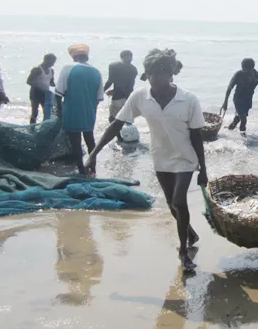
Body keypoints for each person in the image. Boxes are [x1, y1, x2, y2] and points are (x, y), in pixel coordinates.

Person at [85, 48, 207, 271]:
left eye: (159, 73)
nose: (154, 78)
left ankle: (183, 252)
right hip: (161, 158)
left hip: (185, 158)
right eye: (150, 73)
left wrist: (204, 170)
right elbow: (116, 125)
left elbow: (197, 136)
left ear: (170, 75)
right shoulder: (140, 97)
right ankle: (190, 233)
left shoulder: (188, 99)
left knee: (179, 201)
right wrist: (94, 153)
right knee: (172, 205)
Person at [55, 44, 104, 175]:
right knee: (90, 140)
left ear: (74, 57)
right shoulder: (96, 71)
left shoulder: (67, 68)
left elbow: (58, 93)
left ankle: (81, 169)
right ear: (86, 57)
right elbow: (99, 97)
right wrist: (90, 109)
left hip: (72, 110)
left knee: (75, 142)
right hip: (89, 112)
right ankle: (93, 168)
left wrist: (59, 111)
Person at [221, 58, 258, 136]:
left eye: (244, 69)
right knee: (243, 120)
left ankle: (228, 130)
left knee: (237, 119)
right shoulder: (238, 74)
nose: (243, 70)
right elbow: (230, 88)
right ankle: (244, 139)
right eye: (242, 68)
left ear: (251, 68)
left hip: (248, 100)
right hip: (238, 99)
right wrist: (225, 102)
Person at [104, 50, 138, 124]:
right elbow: (129, 85)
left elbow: (110, 81)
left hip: (117, 97)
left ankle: (118, 135)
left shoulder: (113, 65)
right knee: (126, 119)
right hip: (129, 97)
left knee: (113, 118)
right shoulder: (134, 69)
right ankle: (126, 134)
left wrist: (102, 91)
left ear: (121, 56)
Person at [26, 54, 56, 124]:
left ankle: (44, 127)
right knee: (35, 112)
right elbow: (28, 81)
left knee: (46, 112)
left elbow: (51, 83)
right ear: (46, 60)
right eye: (52, 62)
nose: (53, 64)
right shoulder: (37, 69)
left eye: (54, 62)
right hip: (35, 93)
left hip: (45, 94)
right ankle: (32, 128)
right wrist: (38, 87)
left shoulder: (51, 71)